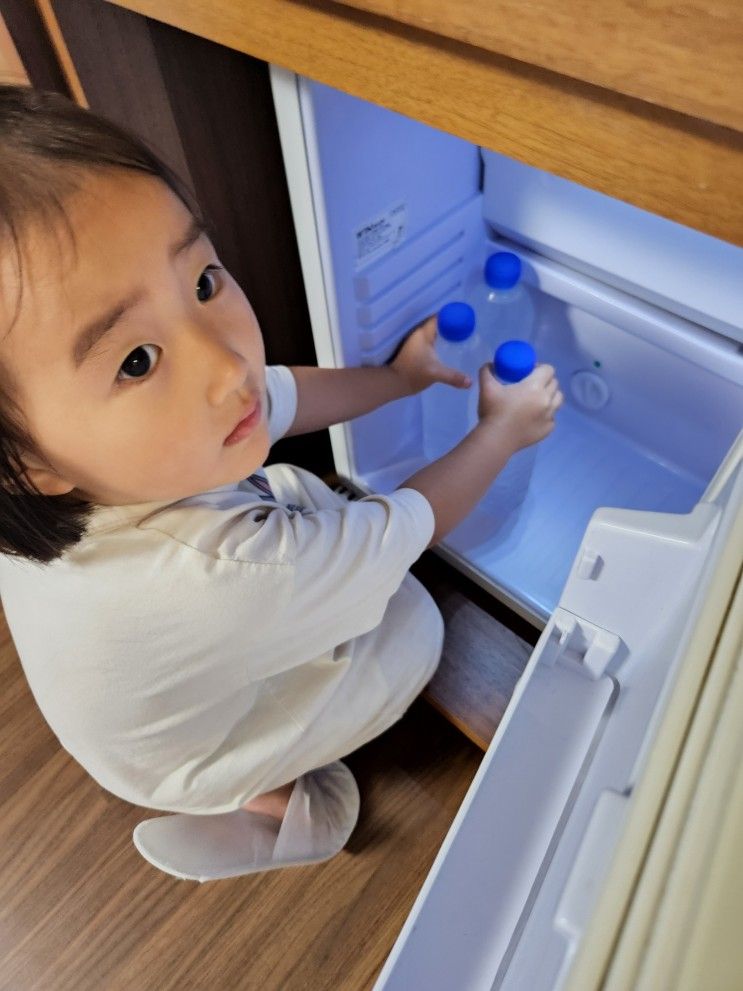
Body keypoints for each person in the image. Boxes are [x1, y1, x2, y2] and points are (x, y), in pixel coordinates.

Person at [0, 85, 563, 882]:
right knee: (415, 626)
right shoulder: (228, 573)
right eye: (135, 360)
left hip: (144, 706)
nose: (225, 363)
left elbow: (281, 392)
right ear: (30, 464)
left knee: (287, 495)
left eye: (201, 282)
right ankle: (272, 802)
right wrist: (501, 431)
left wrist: (399, 379)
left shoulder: (59, 475)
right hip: (186, 751)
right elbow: (410, 525)